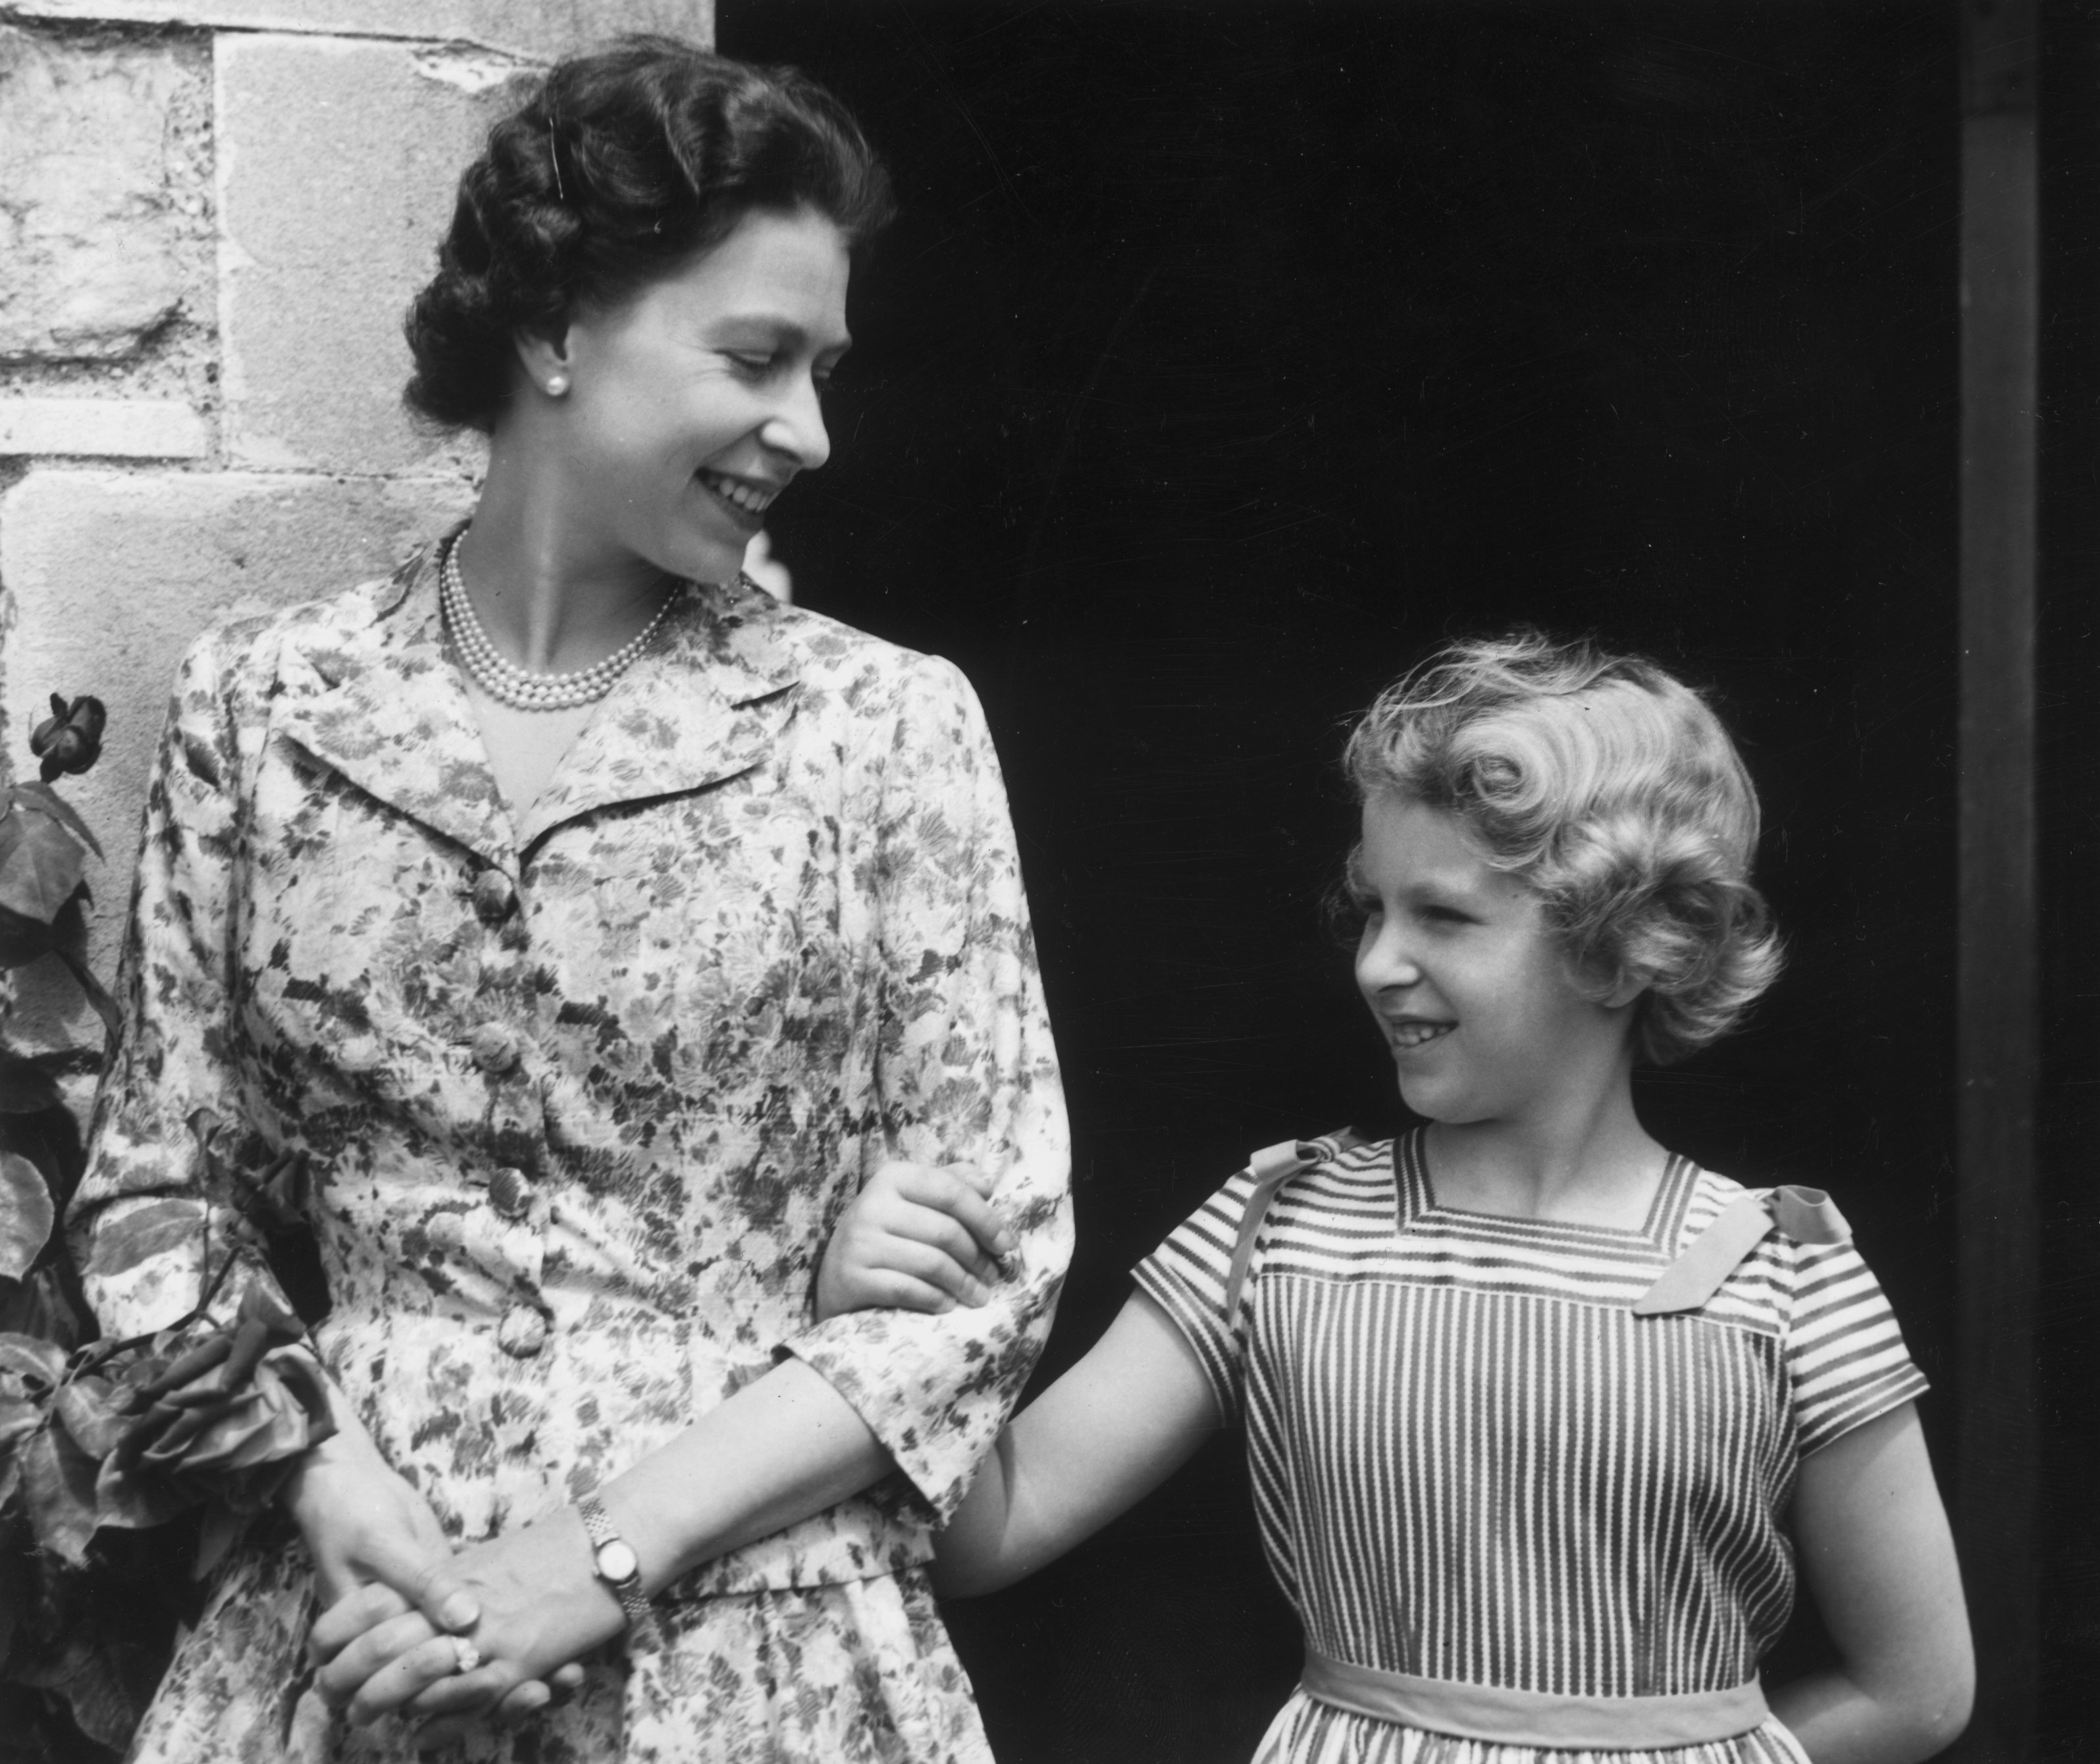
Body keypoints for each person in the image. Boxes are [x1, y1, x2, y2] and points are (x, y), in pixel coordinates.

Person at [65, 36, 1070, 1763]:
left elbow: (994, 1279)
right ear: (552, 328)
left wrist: (590, 1558)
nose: (808, 432)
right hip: (357, 1634)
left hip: (762, 1643)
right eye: (754, 359)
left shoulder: (884, 724)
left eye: (823, 370)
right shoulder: (267, 704)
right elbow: (149, 1214)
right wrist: (320, 1476)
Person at [825, 633, 1974, 1764]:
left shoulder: (1782, 1270)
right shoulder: (1283, 1224)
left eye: (1446, 917)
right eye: (1375, 909)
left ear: (1627, 951)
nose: (1378, 961)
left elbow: (1915, 1692)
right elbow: (992, 1526)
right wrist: (883, 1312)